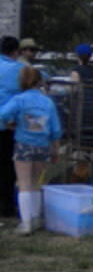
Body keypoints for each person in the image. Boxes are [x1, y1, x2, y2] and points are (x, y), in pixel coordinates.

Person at [0, 65, 62, 235]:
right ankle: (35, 219)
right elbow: (56, 129)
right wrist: (55, 149)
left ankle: (26, 222)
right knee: (35, 183)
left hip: (24, 145)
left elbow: (3, 114)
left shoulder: (19, 99)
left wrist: (9, 124)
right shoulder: (47, 101)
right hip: (42, 146)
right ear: (39, 81)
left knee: (24, 184)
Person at [0, 37, 21, 220]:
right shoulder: (17, 69)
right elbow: (39, 79)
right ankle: (6, 206)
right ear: (15, 51)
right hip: (7, 126)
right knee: (7, 167)